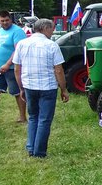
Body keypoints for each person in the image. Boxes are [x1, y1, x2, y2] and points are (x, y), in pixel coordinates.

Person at [12, 18, 69, 158]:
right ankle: (39, 151)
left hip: (29, 85)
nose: (53, 31)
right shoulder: (51, 45)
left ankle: (31, 146)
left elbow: (17, 69)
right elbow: (59, 70)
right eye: (52, 29)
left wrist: (21, 87)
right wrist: (63, 89)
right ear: (45, 28)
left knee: (33, 117)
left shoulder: (22, 44)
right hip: (47, 86)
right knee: (44, 119)